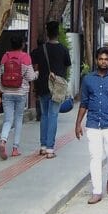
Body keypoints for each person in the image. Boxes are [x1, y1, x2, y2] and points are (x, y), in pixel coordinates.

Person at [75, 47, 108, 204]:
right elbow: (84, 103)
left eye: (106, 59)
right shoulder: (88, 79)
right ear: (96, 60)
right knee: (95, 157)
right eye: (101, 59)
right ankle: (97, 191)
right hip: (93, 124)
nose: (103, 61)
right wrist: (78, 124)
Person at [32, 21, 72, 159]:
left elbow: (33, 62)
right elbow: (67, 66)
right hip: (57, 87)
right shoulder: (64, 49)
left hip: (43, 86)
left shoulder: (40, 49)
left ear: (47, 33)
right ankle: (50, 148)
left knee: (44, 115)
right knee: (53, 115)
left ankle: (43, 146)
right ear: (58, 33)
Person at [0, 36, 37, 160]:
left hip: (7, 93)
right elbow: (30, 77)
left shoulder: (5, 57)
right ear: (22, 44)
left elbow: (0, 77)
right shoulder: (25, 57)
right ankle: (15, 149)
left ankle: (3, 140)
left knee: (8, 120)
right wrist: (37, 74)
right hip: (21, 93)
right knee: (18, 120)